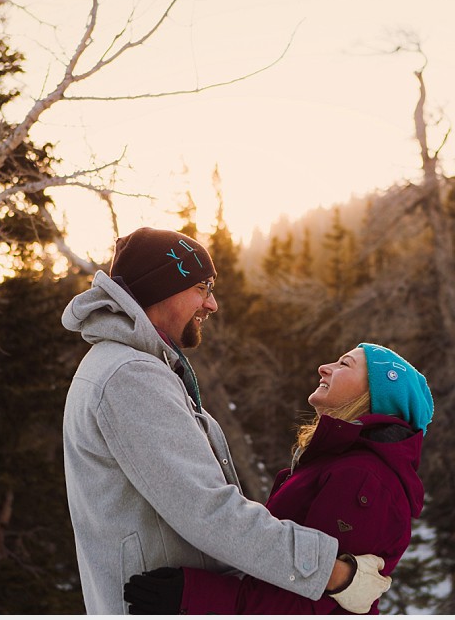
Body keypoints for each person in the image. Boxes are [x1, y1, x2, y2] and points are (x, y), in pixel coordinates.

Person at [61, 227, 391, 615]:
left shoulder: (131, 368)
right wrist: (335, 574)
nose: (212, 304)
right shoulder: (131, 375)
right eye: (202, 288)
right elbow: (209, 511)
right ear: (161, 289)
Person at [124, 342, 433, 615]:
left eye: (344, 364)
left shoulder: (364, 480)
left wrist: (191, 595)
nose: (324, 368)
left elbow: (312, 604)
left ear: (374, 396)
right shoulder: (336, 464)